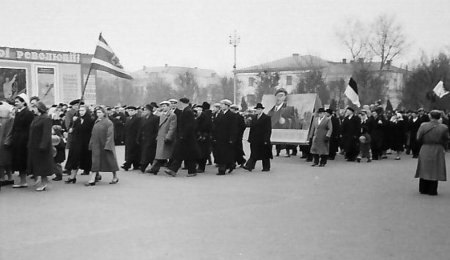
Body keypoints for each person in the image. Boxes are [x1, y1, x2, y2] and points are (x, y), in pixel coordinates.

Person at [415, 110, 449, 196]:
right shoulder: (444, 127)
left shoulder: (423, 126)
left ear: (430, 116)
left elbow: (418, 137)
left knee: (424, 167)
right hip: (438, 148)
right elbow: (447, 138)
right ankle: (432, 189)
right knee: (435, 168)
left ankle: (423, 188)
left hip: (426, 147)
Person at [84, 106, 119, 186]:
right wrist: (91, 143)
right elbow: (93, 134)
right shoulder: (96, 121)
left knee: (110, 161)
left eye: (100, 112)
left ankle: (115, 176)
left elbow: (110, 135)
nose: (98, 114)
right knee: (95, 161)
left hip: (105, 145)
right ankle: (92, 179)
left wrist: (108, 145)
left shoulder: (108, 122)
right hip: (96, 145)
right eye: (97, 112)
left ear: (104, 113)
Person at [164, 98, 199, 177]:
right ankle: (175, 170)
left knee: (183, 154)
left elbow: (189, 125)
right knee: (183, 154)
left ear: (183, 103)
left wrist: (183, 135)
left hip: (187, 138)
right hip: (185, 137)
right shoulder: (185, 110)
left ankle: (176, 170)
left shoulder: (188, 111)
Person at [26, 101, 53, 191]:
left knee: (43, 166)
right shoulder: (36, 118)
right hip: (34, 145)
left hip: (41, 146)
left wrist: (43, 145)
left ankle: (44, 183)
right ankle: (40, 181)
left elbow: (46, 134)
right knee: (37, 165)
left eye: (34, 107)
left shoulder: (46, 118)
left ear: (39, 108)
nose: (33, 109)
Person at [65, 105, 94, 183]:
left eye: (83, 110)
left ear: (86, 111)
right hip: (76, 142)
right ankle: (73, 176)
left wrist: (80, 122)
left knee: (88, 160)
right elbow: (73, 128)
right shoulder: (76, 118)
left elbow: (86, 129)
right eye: (80, 110)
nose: (81, 112)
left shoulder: (89, 119)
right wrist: (72, 128)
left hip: (85, 143)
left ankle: (96, 175)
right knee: (75, 159)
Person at [11, 94, 35, 188]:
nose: (15, 103)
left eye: (17, 102)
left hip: (24, 140)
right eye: (15, 101)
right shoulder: (18, 112)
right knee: (18, 160)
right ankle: (22, 181)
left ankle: (25, 181)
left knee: (23, 160)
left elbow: (30, 128)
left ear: (23, 102)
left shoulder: (28, 113)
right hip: (17, 139)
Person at [147, 101, 177, 174]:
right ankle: (155, 169)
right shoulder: (161, 114)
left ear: (169, 107)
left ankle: (155, 169)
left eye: (165, 106)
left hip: (165, 137)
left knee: (162, 154)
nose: (163, 107)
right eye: (162, 106)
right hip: (160, 136)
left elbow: (172, 127)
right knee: (160, 154)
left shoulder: (172, 115)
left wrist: (168, 136)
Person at [243, 103, 272, 172]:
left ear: (262, 110)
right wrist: (249, 138)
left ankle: (266, 167)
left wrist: (266, 139)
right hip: (254, 139)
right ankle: (249, 166)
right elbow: (252, 129)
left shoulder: (266, 118)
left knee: (265, 154)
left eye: (259, 109)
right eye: (256, 109)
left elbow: (268, 130)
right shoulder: (254, 117)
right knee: (254, 153)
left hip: (262, 138)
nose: (257, 110)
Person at [214, 99, 238, 175]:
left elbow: (234, 128)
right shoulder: (220, 114)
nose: (221, 106)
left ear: (227, 106)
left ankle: (222, 170)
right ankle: (230, 165)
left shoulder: (232, 115)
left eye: (222, 104)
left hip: (227, 138)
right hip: (219, 137)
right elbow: (216, 125)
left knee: (225, 153)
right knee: (221, 153)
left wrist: (232, 138)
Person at [137, 104, 159, 172]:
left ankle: (146, 166)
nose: (144, 111)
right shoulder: (143, 118)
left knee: (149, 153)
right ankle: (146, 166)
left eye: (146, 110)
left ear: (150, 111)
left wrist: (155, 137)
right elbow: (140, 129)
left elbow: (157, 128)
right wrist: (138, 138)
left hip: (151, 138)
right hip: (143, 138)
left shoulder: (155, 118)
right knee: (145, 152)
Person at [122, 106, 141, 171]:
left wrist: (138, 138)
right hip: (128, 137)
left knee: (133, 151)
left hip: (134, 137)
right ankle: (133, 164)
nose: (130, 112)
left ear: (135, 111)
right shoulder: (127, 118)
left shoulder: (138, 118)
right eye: (129, 110)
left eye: (132, 110)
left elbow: (138, 129)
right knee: (129, 151)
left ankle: (128, 164)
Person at [194, 104, 212, 173]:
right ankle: (197, 165)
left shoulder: (205, 117)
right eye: (197, 110)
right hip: (196, 137)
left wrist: (204, 134)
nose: (198, 111)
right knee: (197, 152)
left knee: (203, 153)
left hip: (203, 137)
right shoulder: (195, 117)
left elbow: (209, 126)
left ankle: (201, 167)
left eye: (199, 110)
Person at [0, 101, 13, 185]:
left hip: (3, 142)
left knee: (4, 161)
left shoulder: (7, 118)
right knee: (3, 161)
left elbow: (9, 131)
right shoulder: (8, 118)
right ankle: (6, 177)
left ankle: (5, 178)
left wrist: (7, 140)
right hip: (4, 141)